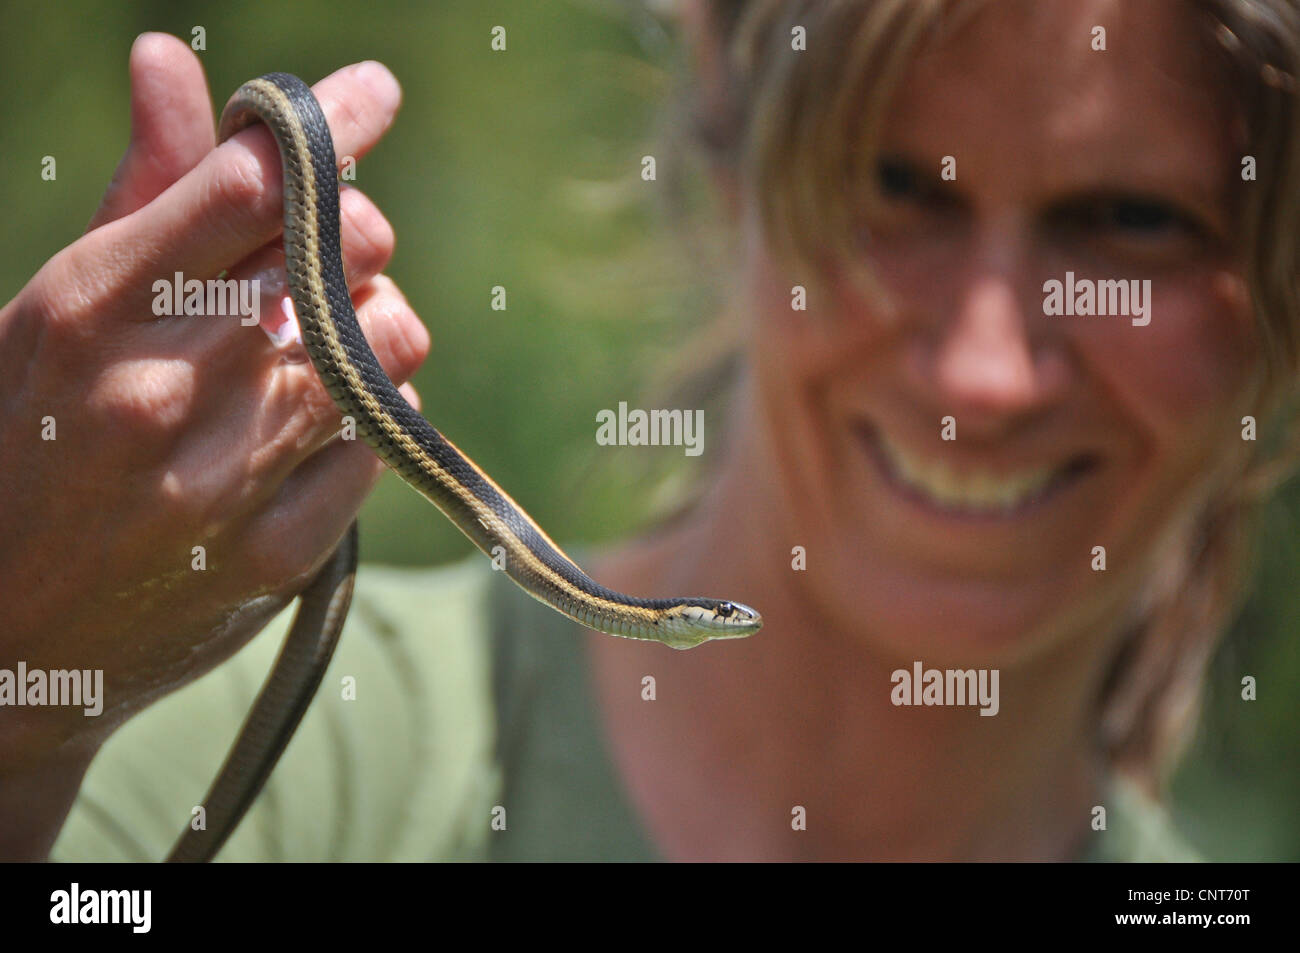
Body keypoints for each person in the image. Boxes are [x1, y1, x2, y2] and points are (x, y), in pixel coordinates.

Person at [5, 0, 1293, 861]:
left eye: (1131, 221)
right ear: (725, 185)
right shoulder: (210, 747)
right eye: (896, 186)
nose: (986, 371)